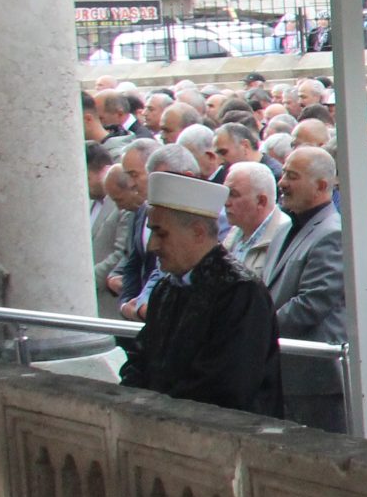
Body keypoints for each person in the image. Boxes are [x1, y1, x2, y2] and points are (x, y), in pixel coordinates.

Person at [118, 170, 282, 416]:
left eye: (161, 233)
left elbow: (225, 387)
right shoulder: (167, 288)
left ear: (197, 232)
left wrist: (157, 408)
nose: (152, 245)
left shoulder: (240, 293)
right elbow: (141, 358)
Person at [262, 146, 347, 433]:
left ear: (322, 185)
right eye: (284, 173)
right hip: (282, 370)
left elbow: (313, 301)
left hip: (314, 379)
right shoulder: (285, 228)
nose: (282, 182)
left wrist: (257, 327)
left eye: (292, 176)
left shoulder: (333, 232)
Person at [220, 160, 289, 271]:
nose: (226, 202)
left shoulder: (284, 239)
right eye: (225, 193)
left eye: (233, 194)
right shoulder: (237, 231)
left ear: (261, 201)